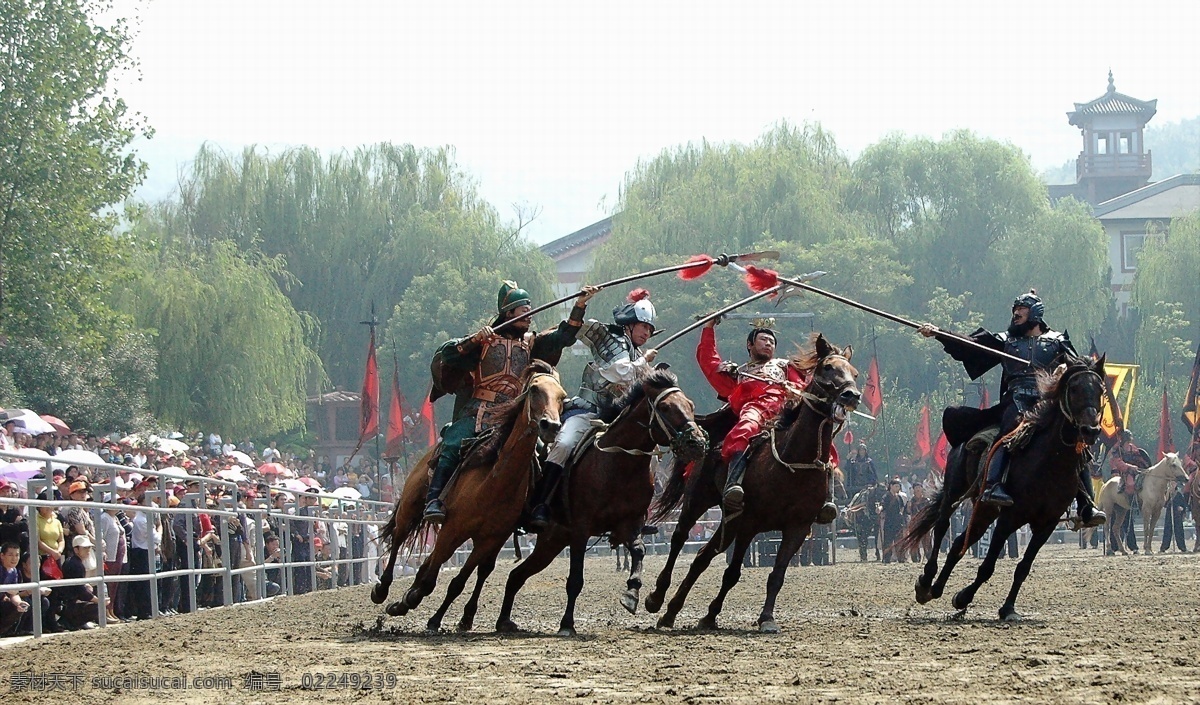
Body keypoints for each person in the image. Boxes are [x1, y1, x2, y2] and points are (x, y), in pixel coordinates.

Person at [919, 290, 1105, 526]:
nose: (1016, 314)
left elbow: (1079, 370)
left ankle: (1087, 505)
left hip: (1046, 404)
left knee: (1073, 443)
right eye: (1015, 310)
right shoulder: (1006, 340)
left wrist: (1064, 373)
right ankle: (993, 484)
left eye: (1022, 310)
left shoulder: (1058, 341)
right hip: (1015, 400)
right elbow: (970, 345)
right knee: (1009, 431)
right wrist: (939, 334)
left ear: (1035, 313)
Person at [422, 280, 591, 524]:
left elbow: (564, 336)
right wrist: (475, 339)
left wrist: (580, 304)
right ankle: (434, 499)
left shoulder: (531, 342)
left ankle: (536, 507)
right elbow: (447, 353)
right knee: (452, 443)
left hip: (513, 413)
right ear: (509, 313)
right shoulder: (483, 341)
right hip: (480, 410)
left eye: (529, 311)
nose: (529, 316)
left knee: (543, 453)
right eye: (524, 311)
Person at [529, 287, 655, 531]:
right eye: (643, 326)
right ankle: (541, 504)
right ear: (629, 324)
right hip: (589, 410)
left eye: (650, 329)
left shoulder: (638, 354)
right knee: (564, 445)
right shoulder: (610, 339)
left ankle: (636, 514)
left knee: (649, 454)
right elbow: (618, 371)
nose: (647, 332)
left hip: (617, 418)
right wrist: (643, 362)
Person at [697, 318, 837, 523]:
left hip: (786, 410)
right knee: (745, 428)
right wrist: (708, 328)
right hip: (755, 409)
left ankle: (827, 497)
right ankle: (734, 483)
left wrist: (794, 389)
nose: (769, 343)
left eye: (772, 341)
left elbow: (803, 386)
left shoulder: (785, 366)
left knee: (820, 437)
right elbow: (709, 363)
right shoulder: (739, 372)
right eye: (763, 339)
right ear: (750, 344)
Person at [879, 479, 908, 563]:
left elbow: (902, 507)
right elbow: (883, 504)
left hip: (898, 522)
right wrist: (879, 508)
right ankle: (887, 558)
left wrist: (901, 514)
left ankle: (901, 558)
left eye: (898, 486)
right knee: (888, 541)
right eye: (896, 486)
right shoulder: (886, 496)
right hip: (889, 522)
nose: (897, 488)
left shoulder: (899, 497)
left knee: (899, 541)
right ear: (891, 486)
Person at [1159, 480, 1189, 553]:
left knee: (1179, 531)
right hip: (1169, 514)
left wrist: (1181, 508)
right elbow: (1164, 503)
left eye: (1174, 483)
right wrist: (1168, 492)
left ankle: (1182, 547)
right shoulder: (1167, 493)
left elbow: (1183, 505)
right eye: (1171, 483)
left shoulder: (1178, 494)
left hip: (1177, 515)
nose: (1172, 485)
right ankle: (1164, 547)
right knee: (1167, 531)